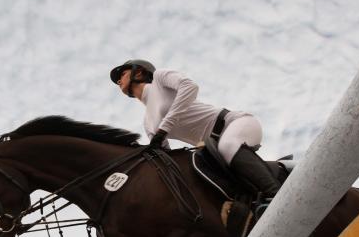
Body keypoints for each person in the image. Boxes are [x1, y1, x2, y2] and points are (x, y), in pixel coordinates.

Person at [110, 59, 282, 205]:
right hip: (214, 153)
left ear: (139, 72)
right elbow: (165, 156)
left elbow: (190, 87)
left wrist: (165, 127)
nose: (119, 80)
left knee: (227, 145)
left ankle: (277, 196)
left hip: (234, 124)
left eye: (122, 74)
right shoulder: (147, 122)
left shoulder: (160, 78)